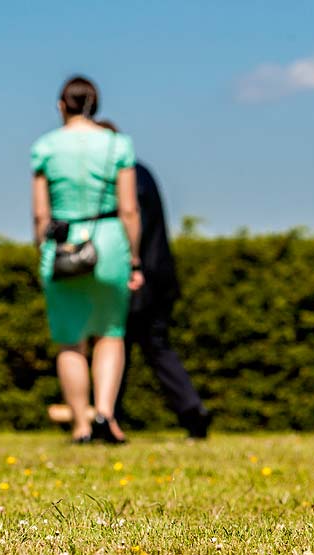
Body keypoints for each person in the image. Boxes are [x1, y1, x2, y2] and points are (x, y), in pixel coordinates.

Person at [31, 76, 144, 444]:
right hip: (109, 241)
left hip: (63, 243)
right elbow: (129, 208)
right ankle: (105, 417)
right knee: (110, 335)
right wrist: (136, 259)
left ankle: (80, 425)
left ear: (61, 106)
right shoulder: (117, 144)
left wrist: (42, 251)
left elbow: (40, 216)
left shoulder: (45, 146)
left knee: (70, 341)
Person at [95, 121, 212, 438]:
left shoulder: (128, 178)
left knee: (130, 343)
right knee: (132, 344)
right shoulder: (140, 172)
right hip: (157, 272)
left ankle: (188, 412)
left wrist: (133, 267)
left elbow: (134, 225)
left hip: (142, 275)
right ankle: (110, 418)